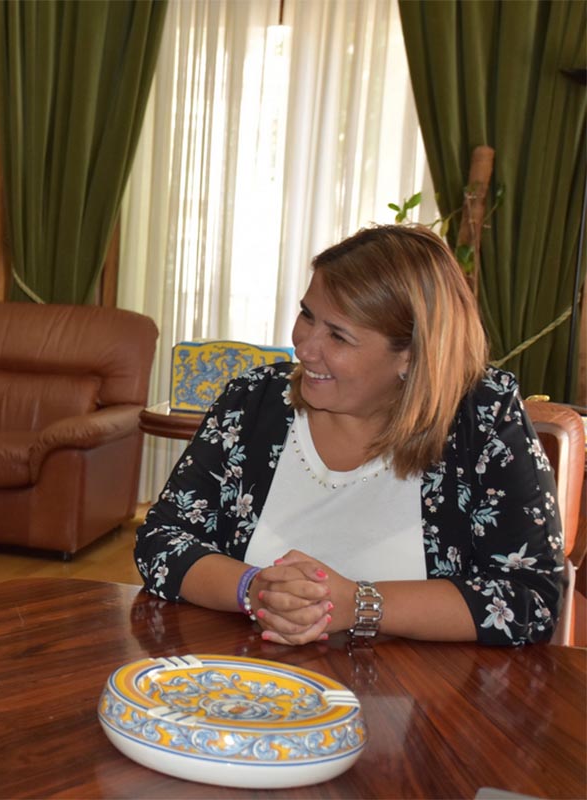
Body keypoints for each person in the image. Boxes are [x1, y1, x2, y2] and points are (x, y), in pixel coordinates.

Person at [135, 224, 564, 647]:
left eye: (338, 335)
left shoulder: (482, 419)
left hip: (426, 707)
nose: (304, 347)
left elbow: (529, 598)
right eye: (307, 315)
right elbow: (162, 541)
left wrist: (358, 605)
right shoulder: (254, 401)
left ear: (411, 356)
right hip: (256, 691)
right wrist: (254, 589)